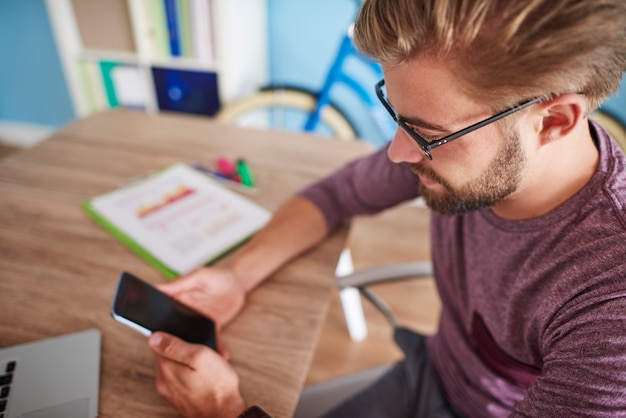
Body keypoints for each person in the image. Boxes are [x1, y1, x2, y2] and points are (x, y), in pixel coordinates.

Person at [147, 0, 626, 416]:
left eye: (427, 134)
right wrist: (237, 277)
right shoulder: (459, 147)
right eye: (397, 116)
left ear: (554, 121)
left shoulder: (611, 305)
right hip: (430, 371)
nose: (398, 153)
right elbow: (334, 194)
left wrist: (224, 411)